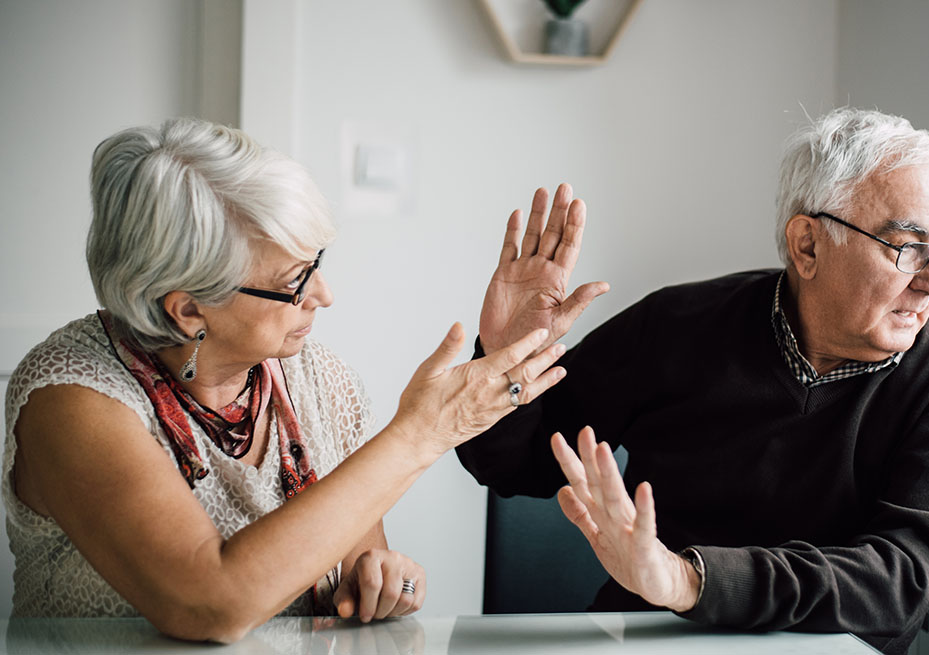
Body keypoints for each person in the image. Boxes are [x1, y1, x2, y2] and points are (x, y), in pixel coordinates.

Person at [457, 107, 929, 654]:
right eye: (908, 247)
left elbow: (897, 584)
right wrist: (506, 359)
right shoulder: (676, 326)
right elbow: (513, 463)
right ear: (809, 245)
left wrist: (689, 580)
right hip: (648, 640)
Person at [1, 118, 572, 643]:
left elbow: (360, 567)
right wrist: (420, 434)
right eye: (297, 280)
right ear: (188, 311)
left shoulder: (318, 380)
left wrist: (386, 584)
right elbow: (210, 605)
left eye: (317, 263)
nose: (324, 296)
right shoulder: (72, 398)